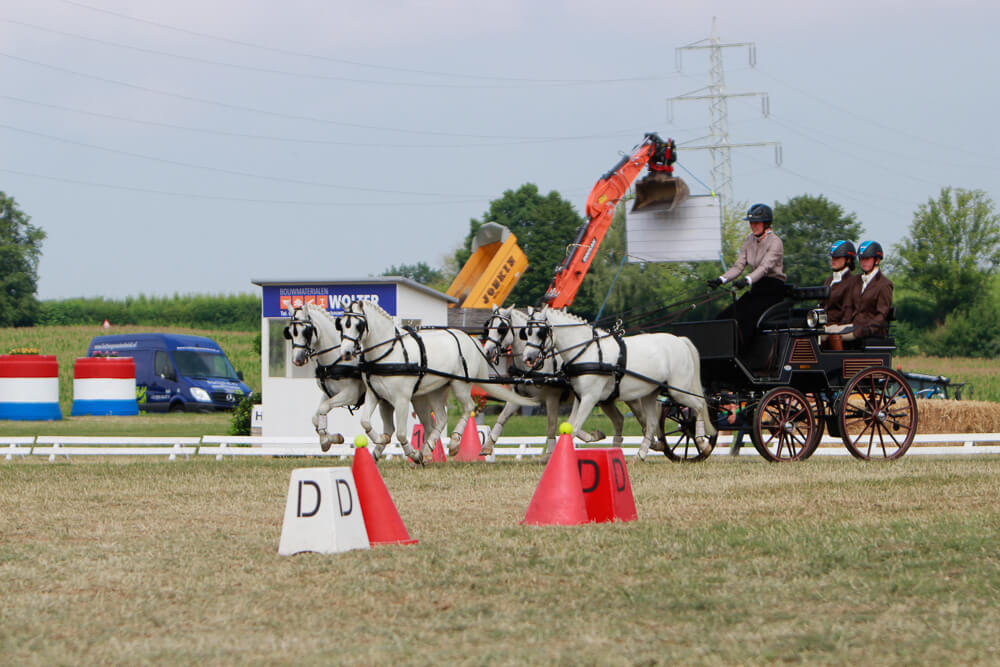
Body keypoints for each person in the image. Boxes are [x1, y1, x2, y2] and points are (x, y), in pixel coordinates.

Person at [707, 203, 786, 348]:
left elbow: (764, 268)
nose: (753, 226)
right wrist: (721, 280)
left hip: (772, 290)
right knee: (725, 316)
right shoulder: (749, 240)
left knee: (746, 318)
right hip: (756, 289)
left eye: (756, 223)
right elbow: (739, 266)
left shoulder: (776, 242)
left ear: (766, 223)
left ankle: (742, 351)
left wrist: (747, 280)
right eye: (751, 223)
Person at [825, 240, 893, 343]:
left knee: (834, 335)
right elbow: (848, 306)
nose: (863, 262)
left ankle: (840, 359)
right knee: (824, 332)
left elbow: (881, 314)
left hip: (872, 330)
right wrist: (841, 324)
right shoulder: (856, 281)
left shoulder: (884, 284)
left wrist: (868, 329)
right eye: (861, 259)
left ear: (877, 260)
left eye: (867, 259)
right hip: (853, 326)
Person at [821, 240, 860, 350]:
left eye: (837, 258)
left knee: (828, 332)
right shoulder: (829, 281)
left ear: (848, 259)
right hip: (828, 323)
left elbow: (848, 309)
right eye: (833, 257)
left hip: (843, 323)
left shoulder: (853, 282)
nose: (833, 260)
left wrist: (831, 323)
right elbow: (822, 305)